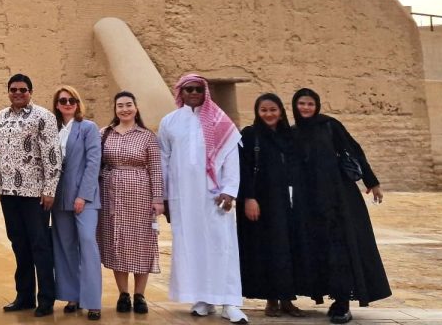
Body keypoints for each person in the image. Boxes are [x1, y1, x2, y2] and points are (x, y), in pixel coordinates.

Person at [291, 88, 390, 324]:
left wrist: (372, 182)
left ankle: (342, 303)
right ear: (295, 106)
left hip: (339, 198)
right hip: (309, 202)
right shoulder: (293, 133)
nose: (305, 108)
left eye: (310, 104)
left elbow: (353, 150)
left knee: (342, 247)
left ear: (317, 106)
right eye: (301, 104)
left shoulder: (330, 126)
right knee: (320, 247)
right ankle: (331, 296)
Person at [158, 74, 248, 324]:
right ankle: (203, 298)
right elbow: (163, 160)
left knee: (222, 246)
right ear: (181, 93)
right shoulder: (170, 122)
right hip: (183, 197)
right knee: (192, 247)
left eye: (198, 89)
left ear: (205, 91)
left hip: (215, 196)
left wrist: (230, 190)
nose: (194, 93)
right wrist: (164, 197)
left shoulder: (221, 121)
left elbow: (231, 156)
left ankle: (230, 301)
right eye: (189, 89)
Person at [0, 73, 60, 317]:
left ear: (30, 92)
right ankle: (24, 296)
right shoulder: (0, 117)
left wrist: (50, 190)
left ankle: (46, 298)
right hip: (9, 193)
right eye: (13, 89)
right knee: (19, 244)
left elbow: (52, 155)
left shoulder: (43, 117)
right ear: (8, 91)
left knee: (40, 245)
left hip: (35, 194)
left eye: (23, 89)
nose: (18, 93)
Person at [236, 93, 309, 318]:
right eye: (264, 110)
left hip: (290, 203)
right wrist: (249, 198)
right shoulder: (250, 135)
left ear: (281, 111)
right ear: (258, 112)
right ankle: (272, 299)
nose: (269, 114)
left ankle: (288, 299)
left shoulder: (291, 135)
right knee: (268, 250)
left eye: (273, 110)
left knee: (290, 249)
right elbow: (243, 169)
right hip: (262, 203)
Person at [98, 91, 164, 315]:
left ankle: (140, 295)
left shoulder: (147, 136)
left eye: (128, 105)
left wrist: (158, 199)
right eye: (120, 106)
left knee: (140, 242)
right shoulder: (105, 134)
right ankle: (123, 294)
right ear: (115, 109)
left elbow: (155, 169)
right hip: (111, 195)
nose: (124, 109)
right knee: (116, 242)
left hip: (140, 195)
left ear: (136, 108)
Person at [50, 86, 103, 320]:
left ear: (78, 103)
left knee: (88, 244)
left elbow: (93, 163)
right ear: (57, 104)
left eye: (72, 100)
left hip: (85, 198)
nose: (68, 103)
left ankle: (93, 301)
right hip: (59, 197)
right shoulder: (53, 130)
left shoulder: (88, 128)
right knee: (65, 246)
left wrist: (83, 195)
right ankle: (72, 295)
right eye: (63, 100)